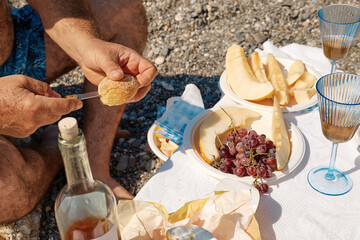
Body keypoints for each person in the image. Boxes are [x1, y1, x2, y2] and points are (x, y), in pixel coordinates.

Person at [0, 0, 157, 223]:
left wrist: (86, 44)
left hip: (16, 52)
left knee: (120, 8)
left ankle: (94, 168)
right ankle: (57, 148)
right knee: (8, 191)